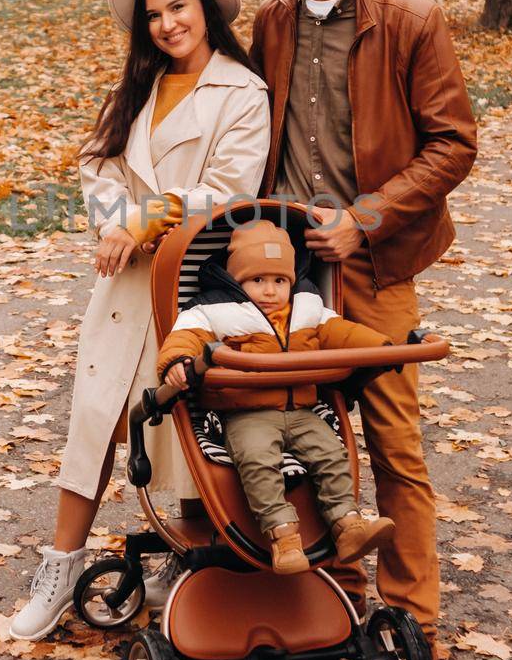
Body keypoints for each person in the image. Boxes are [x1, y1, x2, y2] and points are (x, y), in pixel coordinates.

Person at [249, 0, 477, 660]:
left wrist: (368, 216)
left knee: (393, 446)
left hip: (375, 267)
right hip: (287, 276)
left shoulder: (410, 19)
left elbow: (454, 143)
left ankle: (417, 630)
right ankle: (334, 604)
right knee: (298, 429)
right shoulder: (271, 21)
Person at [9, 0, 270, 641]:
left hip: (192, 282)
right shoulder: (141, 87)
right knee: (94, 418)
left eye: (177, 7)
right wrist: (115, 220)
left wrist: (148, 217)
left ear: (205, 10)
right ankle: (61, 567)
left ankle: (190, 562)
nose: (165, 23)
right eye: (153, 15)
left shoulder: (242, 91)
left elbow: (235, 189)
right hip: (125, 282)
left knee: (186, 430)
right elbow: (99, 159)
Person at [156, 219, 396, 573]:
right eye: (258, 281)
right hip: (245, 414)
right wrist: (177, 362)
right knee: (257, 460)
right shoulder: (215, 311)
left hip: (302, 410)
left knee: (331, 454)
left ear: (291, 281)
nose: (270, 291)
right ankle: (282, 536)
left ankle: (348, 526)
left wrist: (384, 347)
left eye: (279, 281)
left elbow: (341, 332)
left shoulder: (307, 307)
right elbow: (185, 336)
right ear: (236, 280)